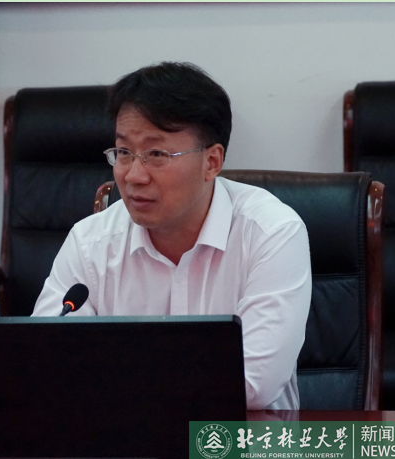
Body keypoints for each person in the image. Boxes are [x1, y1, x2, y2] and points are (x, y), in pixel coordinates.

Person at [32, 62, 311, 411]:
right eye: (123, 153)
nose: (134, 176)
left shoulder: (271, 234)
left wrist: (110, 373)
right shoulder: (90, 243)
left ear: (212, 162)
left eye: (156, 155)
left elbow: (253, 384)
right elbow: (48, 362)